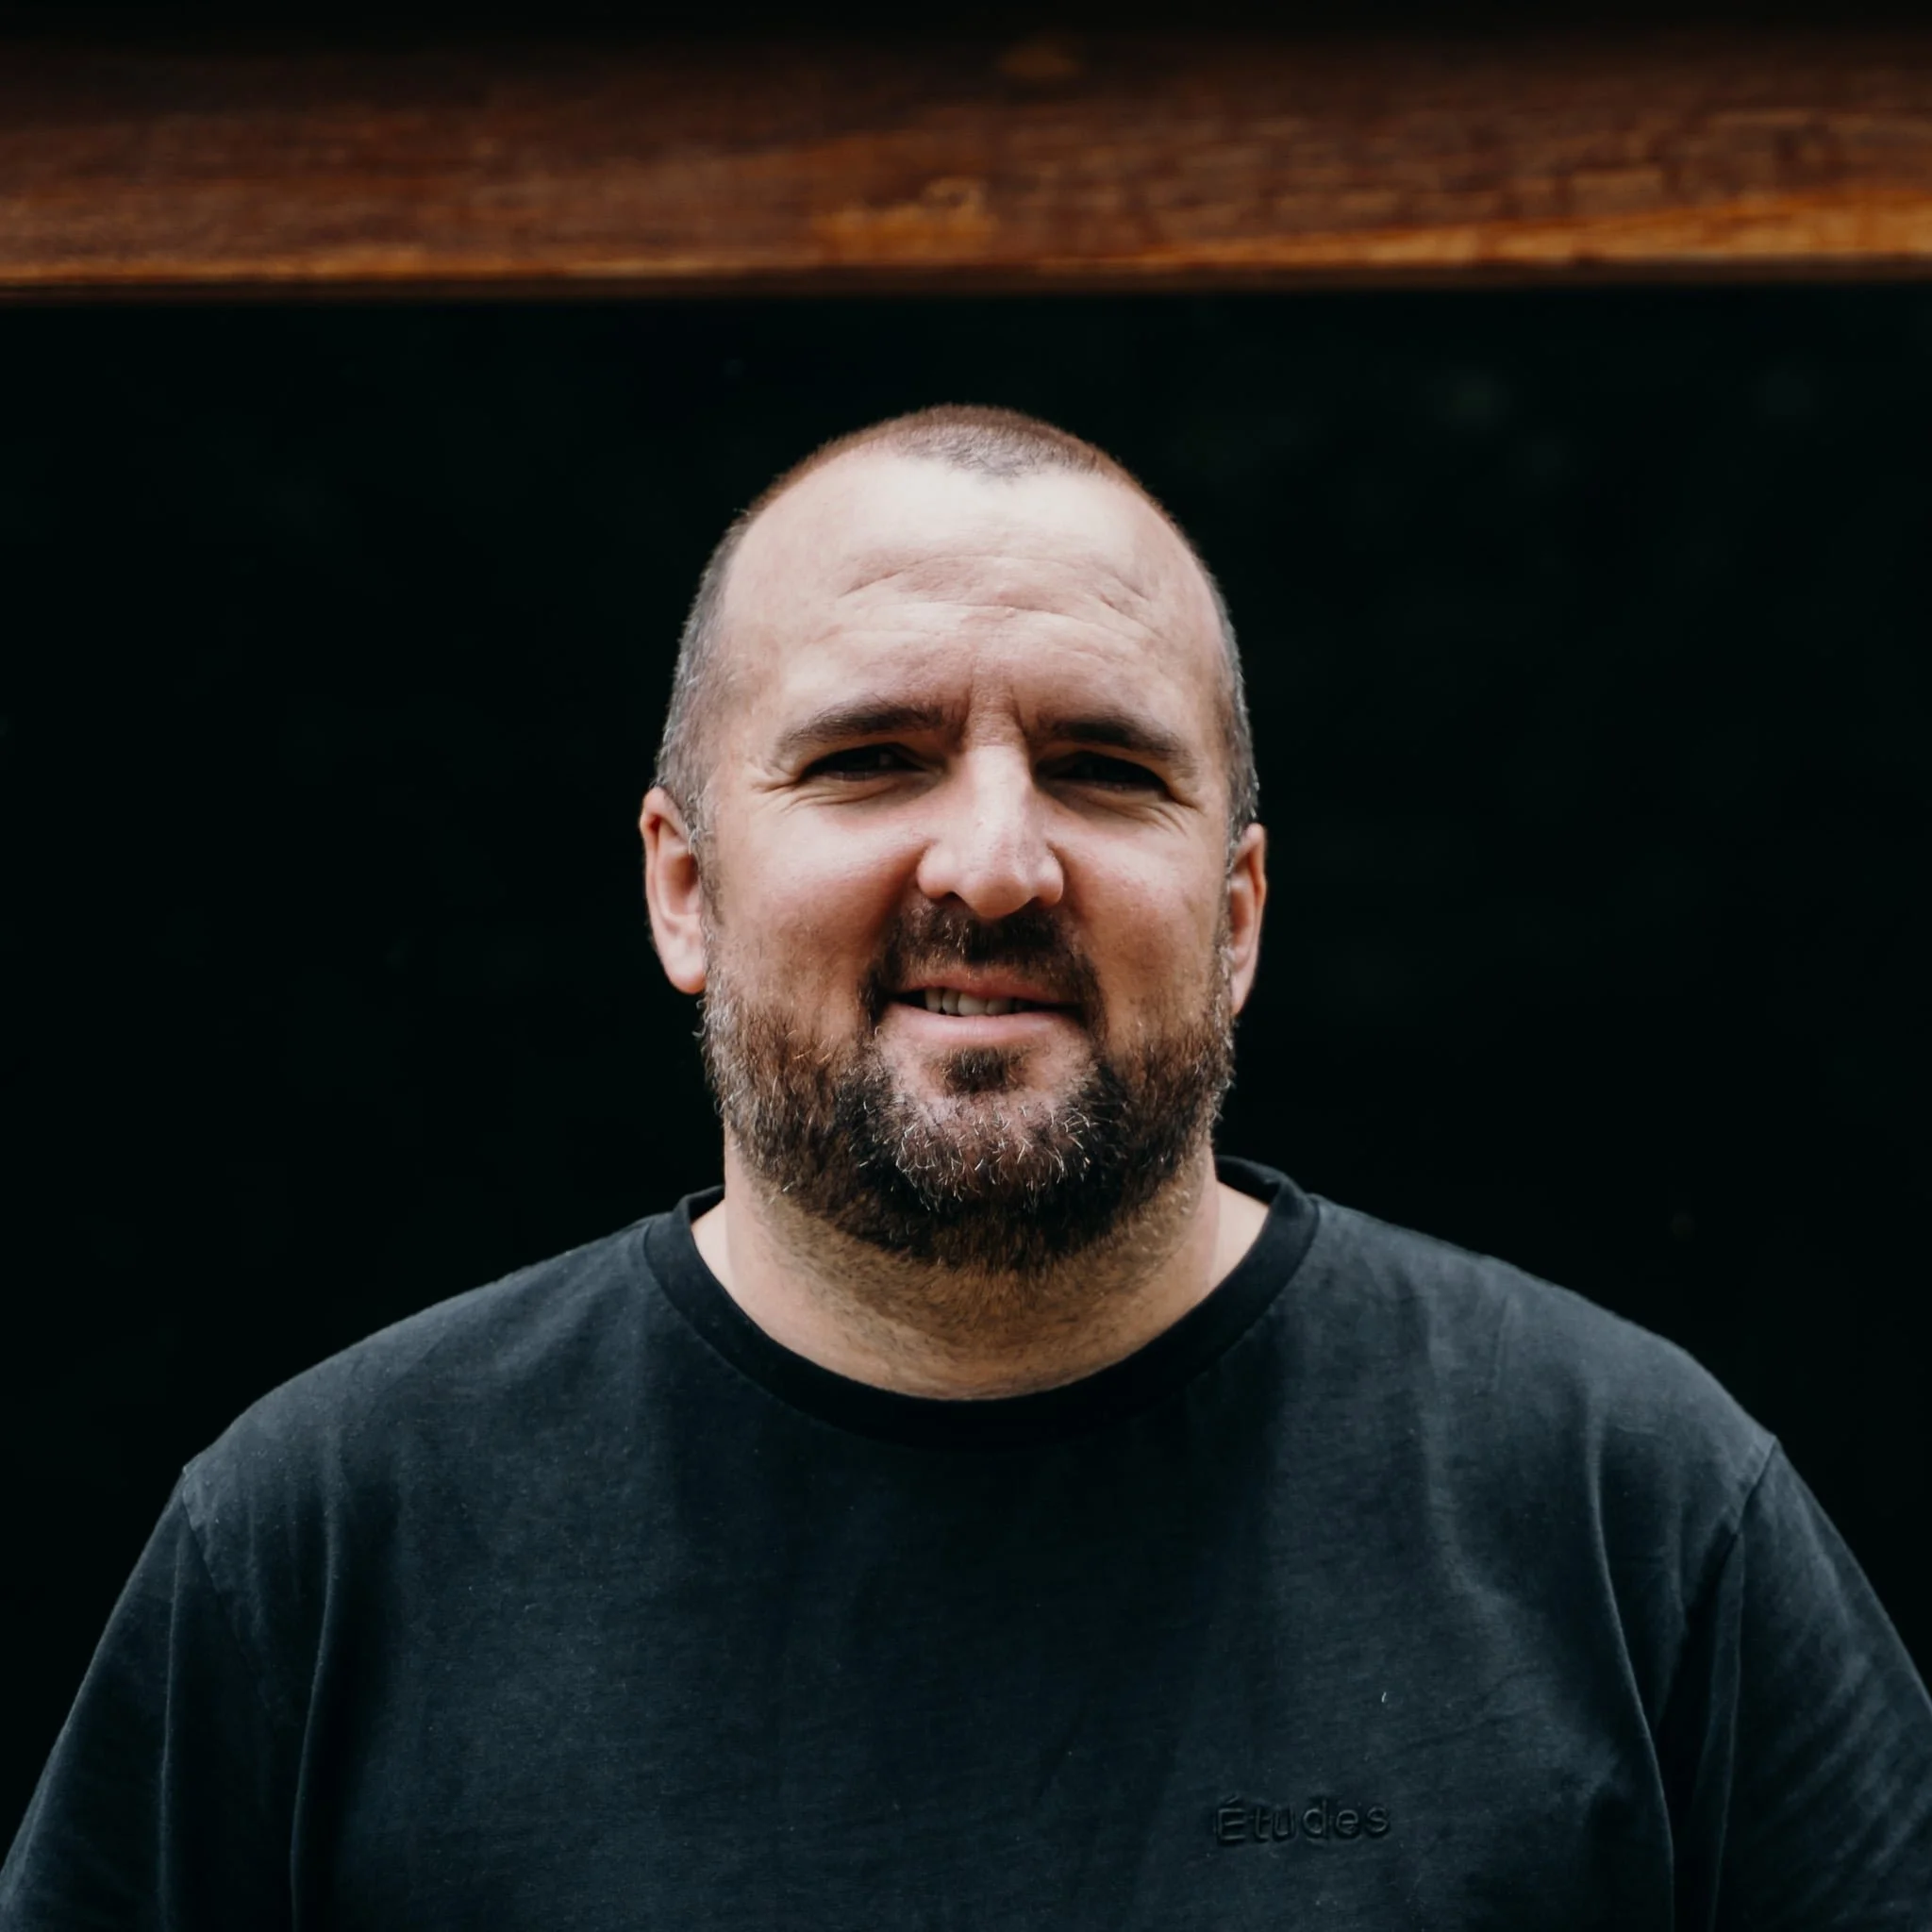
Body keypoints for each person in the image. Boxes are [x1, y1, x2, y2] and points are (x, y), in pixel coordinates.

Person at [5, 404, 1930, 1930]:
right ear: (683, 883)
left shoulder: (1633, 1518)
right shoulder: (319, 1551)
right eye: (869, 758)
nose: (996, 863)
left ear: (1240, 911)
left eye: (1104, 766)